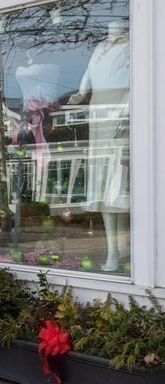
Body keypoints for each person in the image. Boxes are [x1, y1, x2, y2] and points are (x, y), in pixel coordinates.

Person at [68, 20, 130, 271]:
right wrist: (82, 94)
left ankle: (121, 248)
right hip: (99, 109)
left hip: (118, 107)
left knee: (118, 180)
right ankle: (113, 249)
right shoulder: (99, 45)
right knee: (103, 181)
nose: (113, 26)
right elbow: (88, 73)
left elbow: (138, 76)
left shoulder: (131, 44)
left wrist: (126, 111)